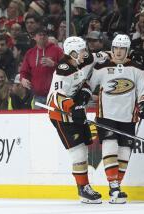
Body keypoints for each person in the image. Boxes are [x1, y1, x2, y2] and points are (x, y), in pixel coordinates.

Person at [89, 34, 144, 204]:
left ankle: (116, 189)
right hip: (106, 116)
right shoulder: (102, 67)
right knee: (110, 147)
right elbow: (89, 85)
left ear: (127, 50)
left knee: (124, 153)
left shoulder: (137, 69)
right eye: (116, 48)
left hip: (128, 117)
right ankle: (114, 187)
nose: (118, 51)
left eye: (122, 48)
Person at [47, 36, 109, 204]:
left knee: (85, 150)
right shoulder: (63, 70)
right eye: (82, 51)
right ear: (73, 53)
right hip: (61, 115)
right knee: (78, 153)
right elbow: (55, 98)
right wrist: (74, 107)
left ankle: (84, 187)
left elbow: (102, 55)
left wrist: (84, 95)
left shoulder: (85, 59)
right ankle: (83, 189)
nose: (85, 53)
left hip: (75, 109)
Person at [20, 27, 63, 107]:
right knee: (38, 119)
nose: (42, 37)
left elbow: (67, 68)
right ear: (34, 37)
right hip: (37, 96)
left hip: (55, 95)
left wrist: (54, 65)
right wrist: (23, 79)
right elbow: (24, 72)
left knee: (55, 119)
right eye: (40, 35)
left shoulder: (57, 51)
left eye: (44, 35)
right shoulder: (30, 53)